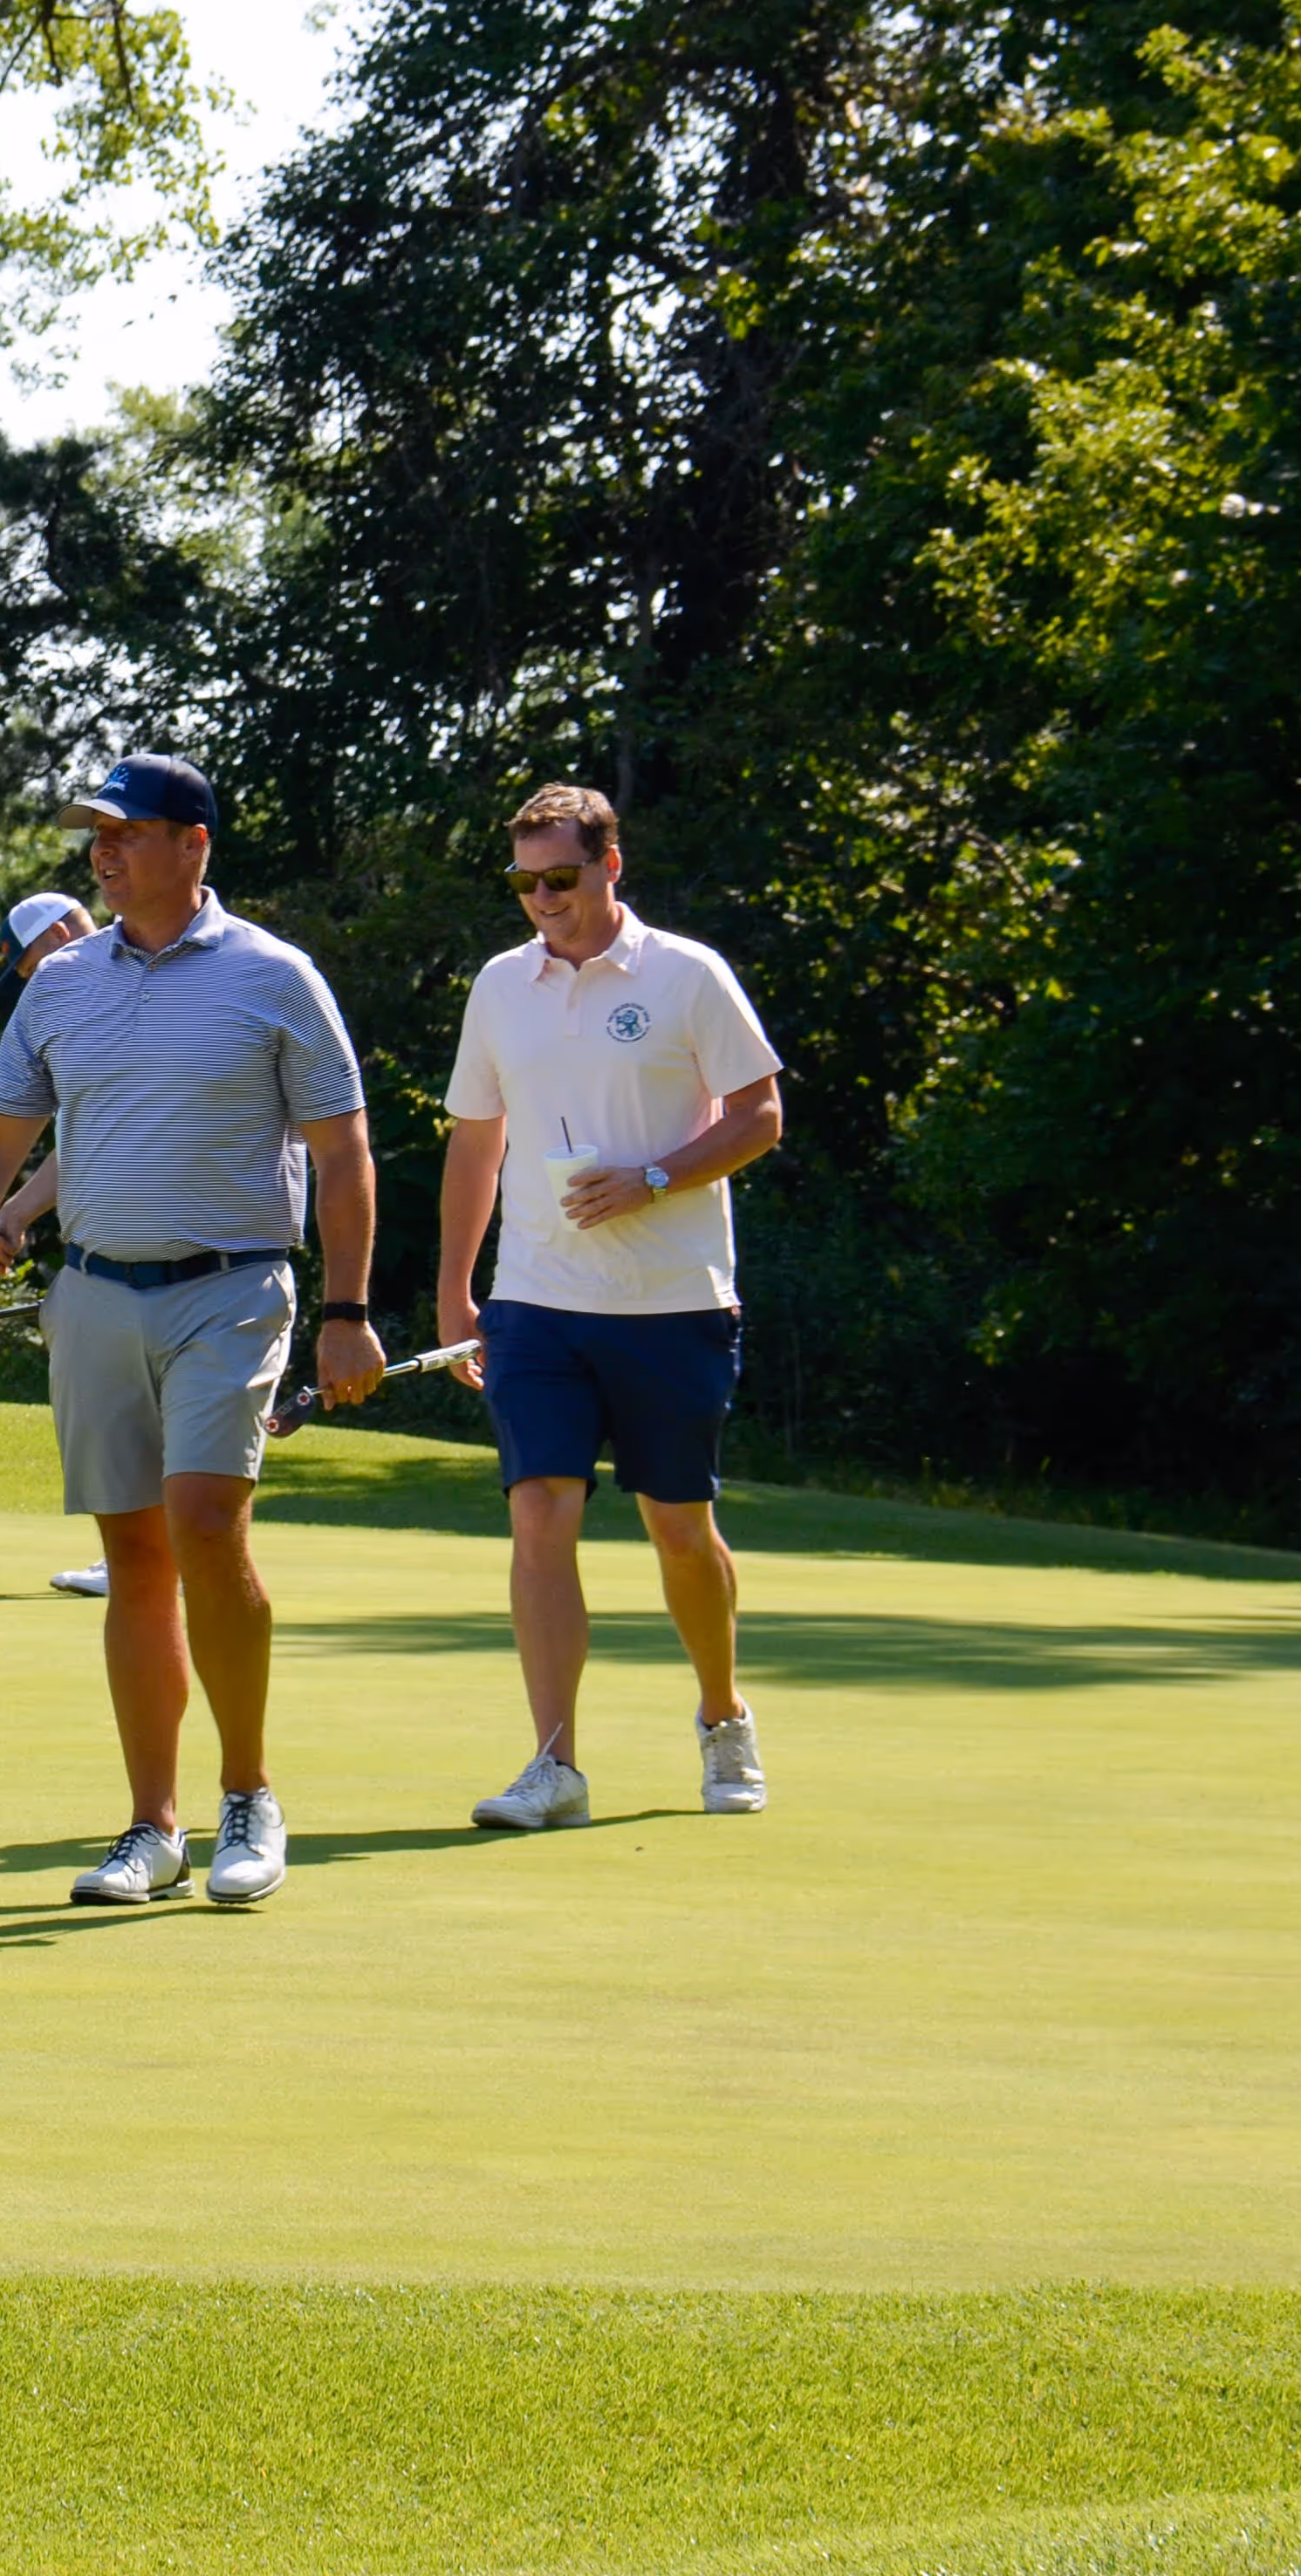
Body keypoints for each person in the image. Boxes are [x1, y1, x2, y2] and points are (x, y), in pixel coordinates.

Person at [0, 753, 380, 1909]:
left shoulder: (273, 976)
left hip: (230, 1288)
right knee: (131, 1554)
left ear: (193, 845)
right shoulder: (60, 982)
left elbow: (342, 1154)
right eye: (97, 834)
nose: (103, 851)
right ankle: (153, 1826)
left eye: (126, 832)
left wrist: (346, 1312)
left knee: (203, 1524)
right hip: (93, 1293)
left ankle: (247, 1796)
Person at [437, 782, 787, 1828]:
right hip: (535, 1302)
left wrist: (651, 1179)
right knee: (538, 1515)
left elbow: (759, 1115)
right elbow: (474, 1142)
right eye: (522, 882)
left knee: (677, 1528)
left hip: (672, 1302)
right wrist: (455, 1289)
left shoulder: (686, 974)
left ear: (608, 866)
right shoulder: (500, 985)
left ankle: (721, 1714)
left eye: (559, 877)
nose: (541, 898)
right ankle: (554, 1766)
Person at [0, 891, 105, 1601]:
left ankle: (152, 1562)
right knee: (111, 1420)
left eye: (27, 963)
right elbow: (79, 1144)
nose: (27, 980)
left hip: (190, 1254)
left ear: (58, 935)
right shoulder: (72, 1014)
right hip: (98, 1259)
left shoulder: (114, 1000)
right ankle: (132, 1559)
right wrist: (17, 1209)